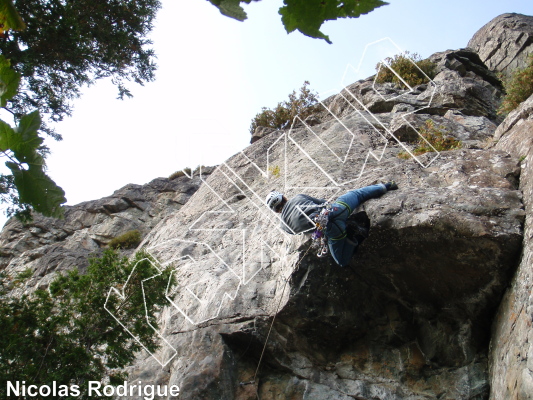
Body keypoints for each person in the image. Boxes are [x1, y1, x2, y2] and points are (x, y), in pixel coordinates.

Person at [265, 182, 398, 267]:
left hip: (334, 231)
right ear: (284, 197)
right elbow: (322, 202)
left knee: (341, 261)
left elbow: (303, 232)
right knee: (356, 194)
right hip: (337, 211)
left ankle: (353, 239)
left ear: (276, 210)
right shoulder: (298, 197)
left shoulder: (284, 225)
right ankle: (385, 186)